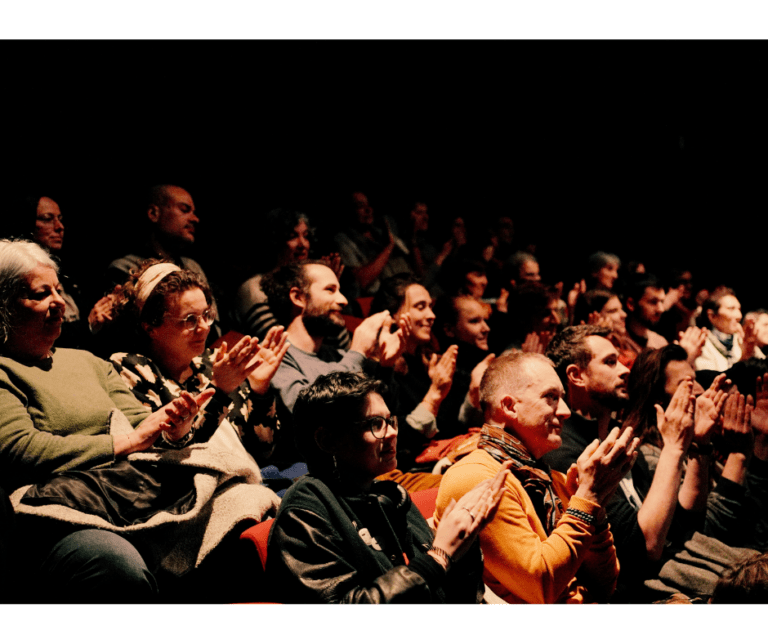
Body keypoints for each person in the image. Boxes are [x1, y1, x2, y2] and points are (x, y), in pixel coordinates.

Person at [0, 239, 236, 601]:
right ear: (3, 306)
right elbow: (20, 449)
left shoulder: (90, 362)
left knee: (250, 510)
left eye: (59, 291)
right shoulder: (4, 370)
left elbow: (145, 427)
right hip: (57, 513)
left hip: (129, 492)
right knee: (116, 566)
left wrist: (175, 428)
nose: (59, 302)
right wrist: (121, 442)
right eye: (40, 293)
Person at [265, 371, 509, 603]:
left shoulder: (390, 497)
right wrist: (439, 556)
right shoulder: (303, 512)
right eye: (375, 424)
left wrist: (463, 547)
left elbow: (456, 601)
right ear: (327, 440)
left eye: (390, 421)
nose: (392, 432)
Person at [543, 326, 732, 601]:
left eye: (620, 360)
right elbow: (645, 549)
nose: (624, 370)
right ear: (576, 375)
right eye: (609, 362)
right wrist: (675, 448)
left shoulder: (621, 436)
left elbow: (685, 522)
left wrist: (700, 444)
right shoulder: (566, 454)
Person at [435, 351, 638, 603]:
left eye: (562, 398)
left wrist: (594, 511)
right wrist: (587, 498)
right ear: (509, 406)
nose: (565, 411)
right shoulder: (476, 477)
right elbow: (541, 586)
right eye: (551, 397)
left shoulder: (551, 477)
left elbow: (604, 585)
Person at [108, 260, 289, 472]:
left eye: (206, 315)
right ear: (151, 327)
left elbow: (263, 450)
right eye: (190, 319)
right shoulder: (131, 368)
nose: (204, 327)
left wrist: (260, 391)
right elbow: (174, 459)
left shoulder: (215, 362)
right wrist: (220, 391)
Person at [261, 259, 403, 466]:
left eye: (341, 290)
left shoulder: (337, 356)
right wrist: (357, 352)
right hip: (315, 478)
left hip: (368, 468)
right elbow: (313, 413)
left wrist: (387, 367)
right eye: (330, 290)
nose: (343, 300)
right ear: (298, 297)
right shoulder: (276, 357)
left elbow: (385, 415)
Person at [88, 184, 221, 352]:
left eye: (193, 212)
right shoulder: (126, 268)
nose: (195, 219)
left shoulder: (193, 266)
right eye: (184, 209)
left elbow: (214, 326)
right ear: (153, 213)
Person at [231, 207, 350, 350]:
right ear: (275, 240)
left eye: (306, 236)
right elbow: (278, 346)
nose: (302, 244)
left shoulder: (309, 285)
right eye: (292, 236)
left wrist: (327, 294)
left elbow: (341, 347)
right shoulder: (254, 288)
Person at [4, 194, 88, 349]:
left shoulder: (70, 279)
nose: (59, 227)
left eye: (60, 219)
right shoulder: (12, 273)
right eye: (47, 218)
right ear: (27, 221)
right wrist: (90, 324)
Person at [333, 191, 411, 298]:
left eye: (369, 205)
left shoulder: (381, 232)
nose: (368, 210)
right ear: (349, 211)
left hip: (406, 293)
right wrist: (389, 248)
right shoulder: (343, 240)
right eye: (361, 206)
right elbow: (361, 281)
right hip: (378, 301)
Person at [695, 287, 753, 372]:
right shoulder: (702, 345)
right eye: (731, 309)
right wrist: (743, 358)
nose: (739, 316)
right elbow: (711, 380)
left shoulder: (742, 340)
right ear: (712, 316)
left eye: (739, 309)